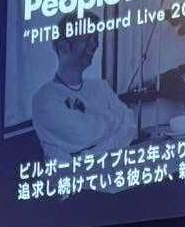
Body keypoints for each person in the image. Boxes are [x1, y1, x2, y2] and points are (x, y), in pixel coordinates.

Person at [30, 32, 136, 165]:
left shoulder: (101, 87)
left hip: (112, 173)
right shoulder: (44, 99)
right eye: (87, 39)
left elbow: (131, 126)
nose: (94, 45)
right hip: (69, 177)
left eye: (95, 39)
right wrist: (115, 117)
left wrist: (86, 155)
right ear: (63, 46)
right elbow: (81, 133)